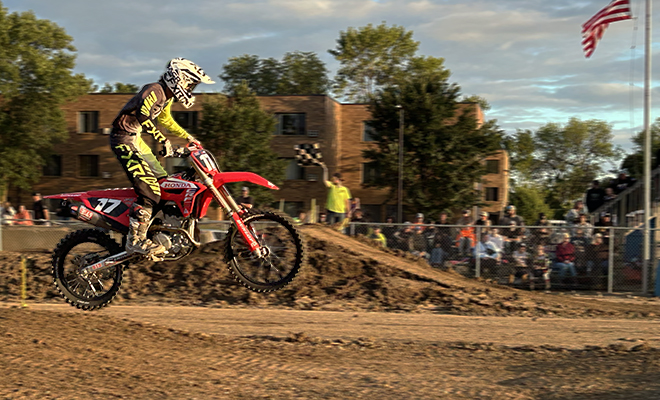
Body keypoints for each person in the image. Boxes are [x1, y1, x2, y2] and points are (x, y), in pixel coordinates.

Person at [110, 58, 215, 256]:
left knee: (164, 183)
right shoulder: (154, 90)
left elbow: (165, 119)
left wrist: (188, 137)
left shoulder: (167, 97)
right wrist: (162, 140)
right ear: (179, 79)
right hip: (123, 140)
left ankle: (156, 230)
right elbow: (143, 116)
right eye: (190, 83)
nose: (191, 88)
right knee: (149, 189)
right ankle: (135, 241)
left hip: (136, 139)